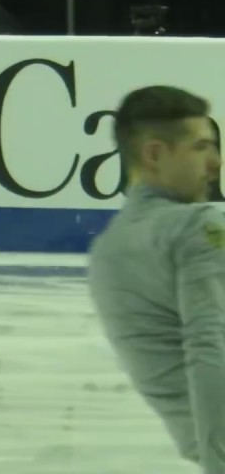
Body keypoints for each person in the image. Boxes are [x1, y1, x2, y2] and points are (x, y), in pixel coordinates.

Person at [88, 85, 225, 472]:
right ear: (154, 154)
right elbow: (210, 347)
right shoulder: (198, 227)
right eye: (201, 147)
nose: (215, 162)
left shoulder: (106, 250)